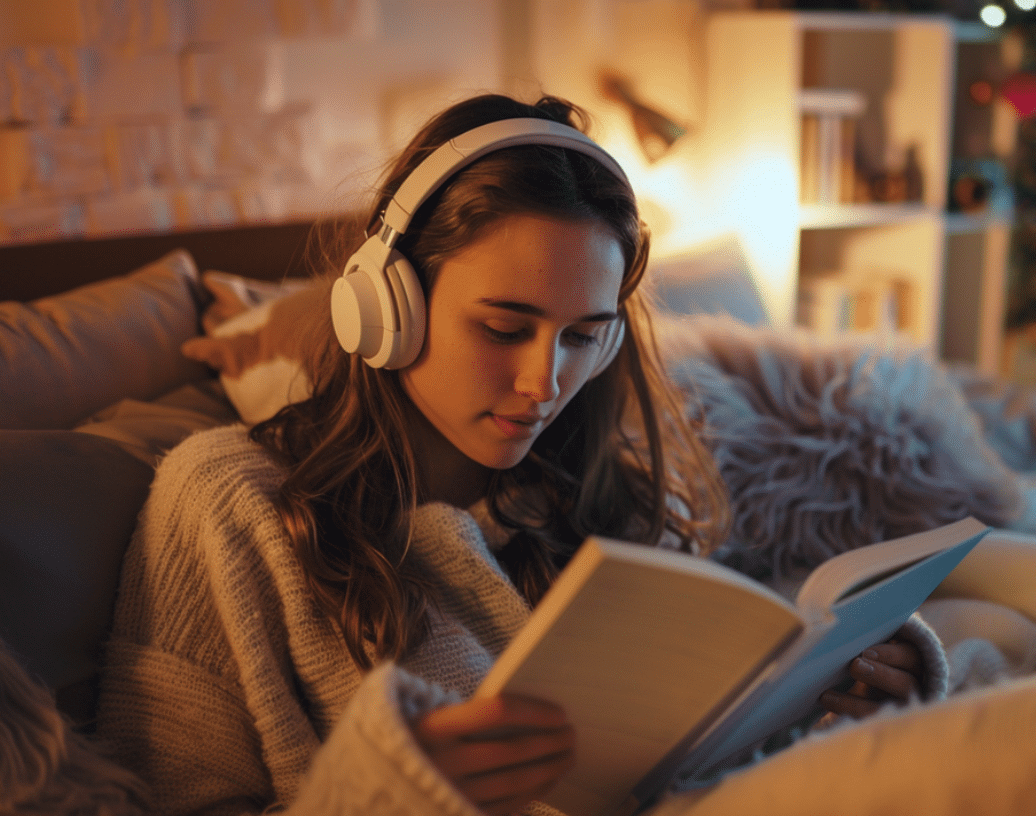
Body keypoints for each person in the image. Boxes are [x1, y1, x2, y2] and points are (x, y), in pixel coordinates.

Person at [95, 93, 946, 816]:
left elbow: (699, 757)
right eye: (505, 328)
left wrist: (849, 699)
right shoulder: (223, 503)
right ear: (386, 306)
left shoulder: (602, 499)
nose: (546, 380)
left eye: (584, 335)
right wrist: (387, 790)